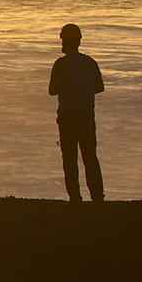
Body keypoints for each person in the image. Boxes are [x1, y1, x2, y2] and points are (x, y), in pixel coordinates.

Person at [48, 23, 105, 205]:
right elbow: (100, 87)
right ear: (79, 41)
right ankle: (98, 198)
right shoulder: (90, 62)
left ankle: (75, 200)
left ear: (65, 41)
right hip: (87, 117)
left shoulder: (61, 64)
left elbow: (52, 90)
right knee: (90, 157)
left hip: (68, 117)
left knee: (70, 159)